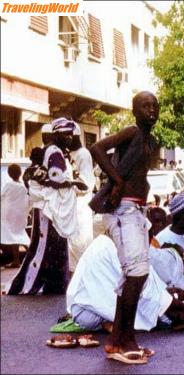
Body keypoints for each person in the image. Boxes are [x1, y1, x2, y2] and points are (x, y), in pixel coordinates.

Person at [89, 91, 159, 364]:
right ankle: (125, 340)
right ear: (135, 110)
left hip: (136, 209)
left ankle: (117, 339)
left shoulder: (149, 139)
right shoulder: (131, 132)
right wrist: (117, 181)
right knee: (136, 272)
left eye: (155, 106)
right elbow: (97, 148)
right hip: (124, 209)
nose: (151, 110)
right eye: (145, 106)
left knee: (136, 275)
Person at [67, 234, 184, 339]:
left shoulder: (123, 247)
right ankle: (177, 314)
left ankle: (175, 311)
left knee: (145, 296)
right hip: (82, 309)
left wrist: (171, 295)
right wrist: (180, 305)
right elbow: (143, 287)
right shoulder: (112, 249)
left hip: (100, 304)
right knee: (88, 318)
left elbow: (146, 284)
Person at [9, 118, 86, 295]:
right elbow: (55, 178)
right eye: (66, 135)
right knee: (43, 247)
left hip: (51, 207)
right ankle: (27, 284)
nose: (69, 138)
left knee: (55, 247)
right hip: (49, 208)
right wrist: (73, 183)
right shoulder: (54, 153)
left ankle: (56, 285)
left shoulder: (57, 152)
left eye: (70, 135)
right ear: (56, 135)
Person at [68, 123, 96, 274]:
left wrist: (68, 182)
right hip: (71, 208)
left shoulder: (83, 154)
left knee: (81, 245)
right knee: (71, 247)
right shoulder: (69, 154)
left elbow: (85, 184)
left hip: (81, 207)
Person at [1, 164, 30, 268]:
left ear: (9, 174)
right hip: (19, 215)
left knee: (11, 236)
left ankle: (19, 259)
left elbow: (1, 196)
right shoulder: (23, 187)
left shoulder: (9, 185)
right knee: (17, 236)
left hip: (8, 215)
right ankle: (18, 260)